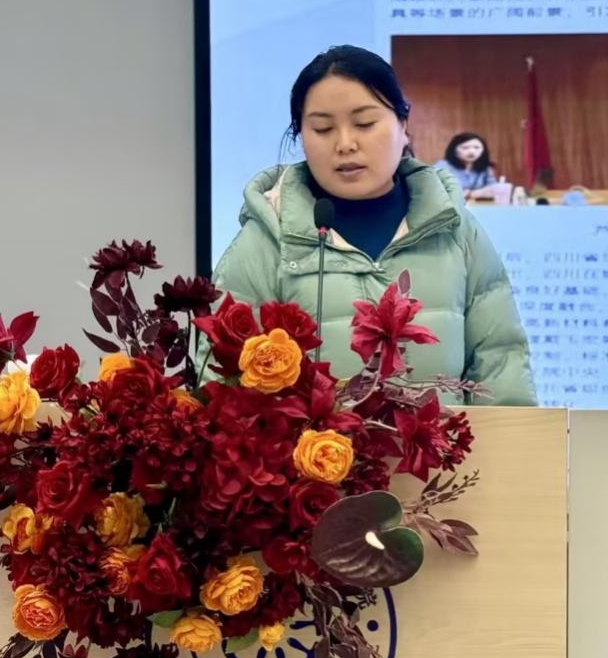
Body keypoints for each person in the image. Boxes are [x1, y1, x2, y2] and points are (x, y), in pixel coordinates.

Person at [209, 45, 537, 406]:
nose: (345, 144)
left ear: (403, 124)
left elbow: (501, 363)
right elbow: (221, 388)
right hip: (310, 445)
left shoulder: (456, 231)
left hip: (450, 446)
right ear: (301, 135)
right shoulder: (266, 239)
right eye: (322, 128)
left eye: (365, 124)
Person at [434, 132, 498, 200]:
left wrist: (474, 194)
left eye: (476, 147)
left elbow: (494, 189)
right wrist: (470, 194)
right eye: (465, 148)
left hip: (478, 205)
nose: (472, 151)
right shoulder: (443, 166)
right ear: (454, 150)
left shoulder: (485, 167)